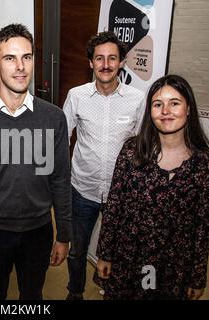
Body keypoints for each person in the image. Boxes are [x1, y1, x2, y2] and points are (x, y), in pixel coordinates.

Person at [0, 23, 72, 300]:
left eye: (27, 57)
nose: (20, 67)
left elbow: (61, 180)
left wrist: (64, 234)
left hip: (38, 231)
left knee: (32, 296)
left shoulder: (54, 118)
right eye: (10, 58)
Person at [95, 74, 209, 300]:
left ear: (188, 109)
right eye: (157, 104)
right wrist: (104, 253)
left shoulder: (204, 165)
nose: (165, 111)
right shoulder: (132, 152)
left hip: (171, 266)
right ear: (150, 112)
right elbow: (114, 207)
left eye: (174, 103)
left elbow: (202, 227)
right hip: (128, 259)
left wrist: (197, 276)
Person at [62, 31, 145, 300]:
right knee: (77, 250)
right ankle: (75, 292)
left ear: (121, 62)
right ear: (91, 63)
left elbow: (144, 147)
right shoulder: (76, 95)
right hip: (82, 189)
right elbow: (62, 138)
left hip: (121, 195)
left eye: (112, 58)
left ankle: (111, 289)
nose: (106, 64)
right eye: (99, 58)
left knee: (117, 252)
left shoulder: (138, 99)